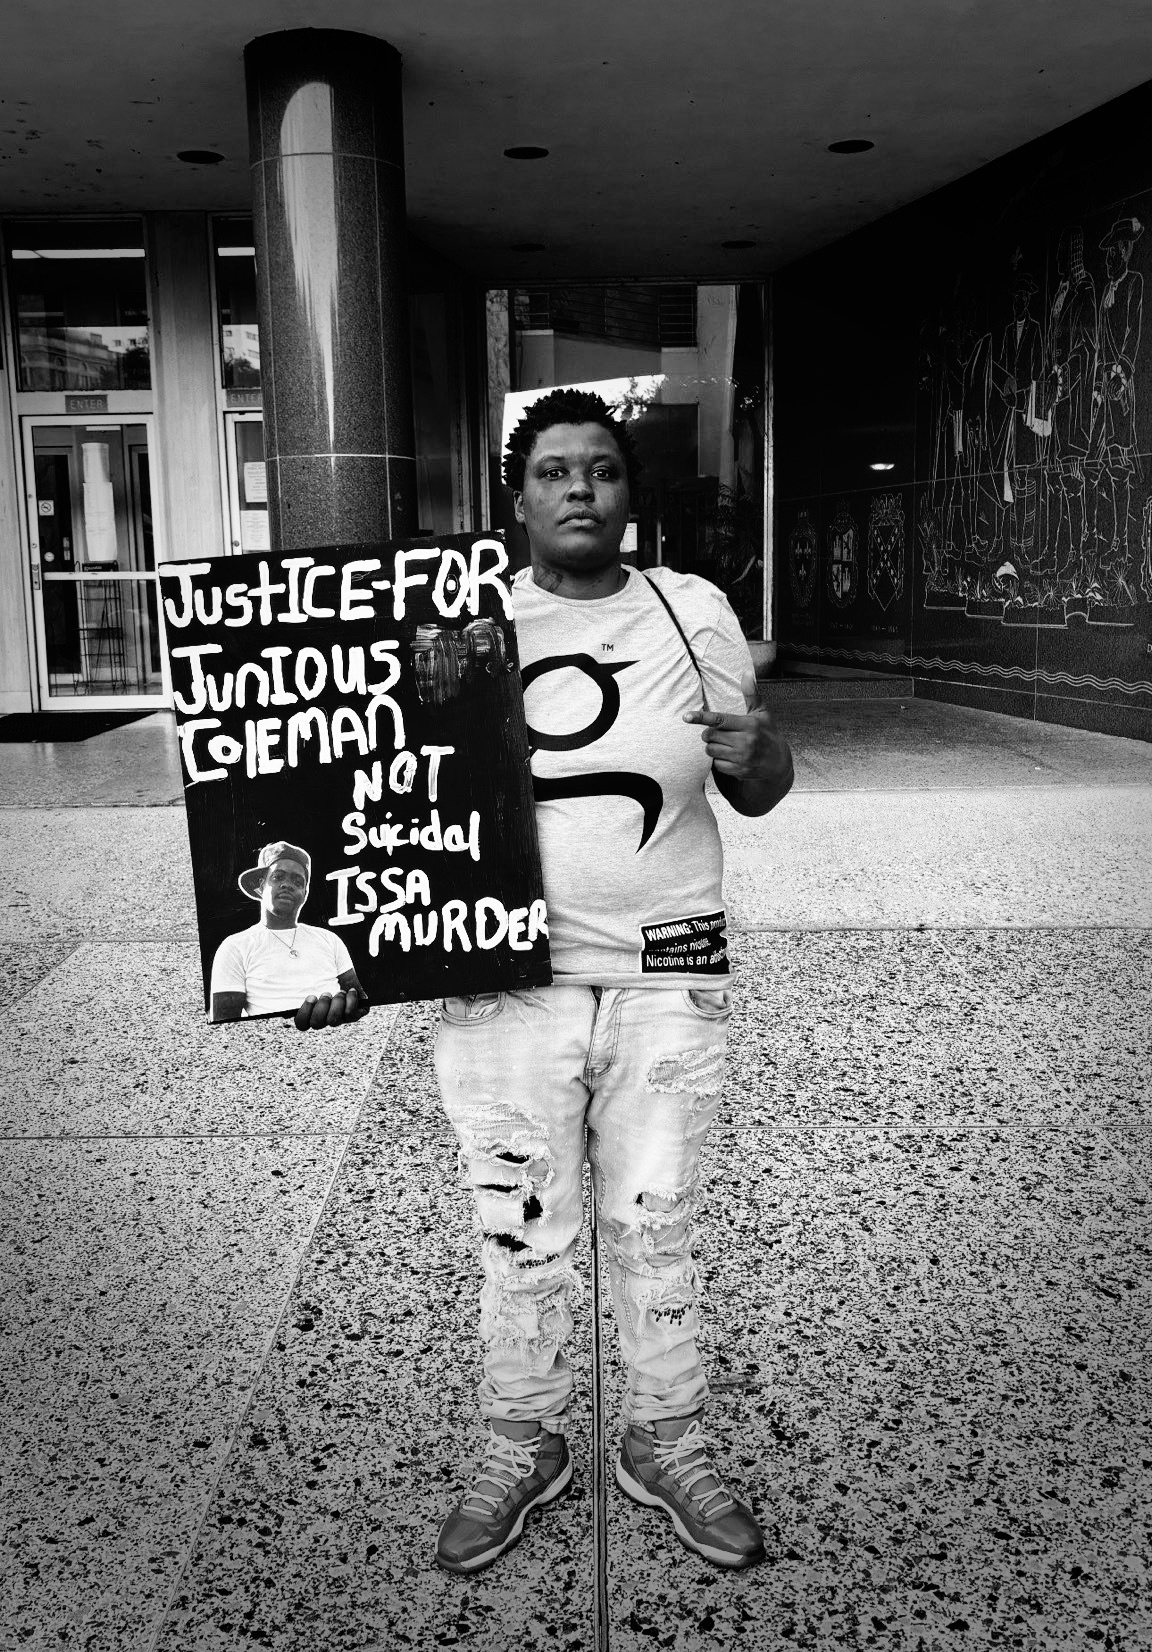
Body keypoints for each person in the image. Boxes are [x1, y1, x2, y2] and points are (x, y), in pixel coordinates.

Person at [431, 386, 794, 1575]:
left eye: (600, 468)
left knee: (658, 1223)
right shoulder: (463, 623)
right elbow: (387, 808)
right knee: (520, 1228)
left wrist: (770, 756)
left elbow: (757, 786)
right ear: (517, 496)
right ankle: (521, 1438)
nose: (578, 487)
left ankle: (666, 1438)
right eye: (552, 471)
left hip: (667, 973)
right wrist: (325, 954)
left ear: (631, 494)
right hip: (506, 979)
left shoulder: (694, 612)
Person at [209, 840, 369, 1026]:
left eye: (297, 880)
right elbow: (225, 1025)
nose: (287, 885)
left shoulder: (329, 939)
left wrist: (347, 1009)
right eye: (278, 877)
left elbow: (361, 1000)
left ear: (305, 892)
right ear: (261, 886)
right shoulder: (236, 946)